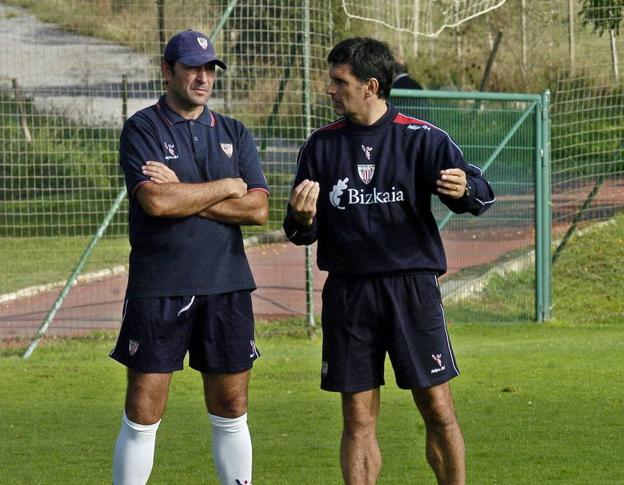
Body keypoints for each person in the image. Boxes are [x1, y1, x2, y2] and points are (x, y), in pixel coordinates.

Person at [283, 37, 494, 484]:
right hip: (349, 292)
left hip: (412, 289)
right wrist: (301, 217)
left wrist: (466, 190)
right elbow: (300, 230)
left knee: (438, 407)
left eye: (339, 81)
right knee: (358, 419)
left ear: (371, 86)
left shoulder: (422, 138)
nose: (330, 89)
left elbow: (480, 193)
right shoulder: (320, 147)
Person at [110, 29, 269, 485]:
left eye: (209, 69)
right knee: (144, 407)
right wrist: (226, 186)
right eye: (192, 68)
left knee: (232, 406)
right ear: (167, 71)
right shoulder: (142, 127)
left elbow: (257, 209)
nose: (202, 77)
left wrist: (181, 188)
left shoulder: (235, 132)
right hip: (161, 285)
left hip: (227, 285)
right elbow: (156, 204)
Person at [392, 57, 431, 121]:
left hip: (400, 120)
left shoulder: (394, 87)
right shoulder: (417, 85)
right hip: (418, 118)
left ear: (394, 72)